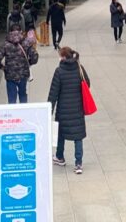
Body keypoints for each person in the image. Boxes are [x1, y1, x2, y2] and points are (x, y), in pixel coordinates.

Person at [48, 46, 89, 174]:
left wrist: (49, 109)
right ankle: (78, 163)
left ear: (64, 57)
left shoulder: (59, 71)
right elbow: (87, 84)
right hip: (77, 108)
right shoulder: (79, 68)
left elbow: (53, 92)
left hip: (63, 109)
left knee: (61, 133)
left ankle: (60, 157)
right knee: (78, 136)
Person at [0, 23, 38, 103]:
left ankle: (13, 113)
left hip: (10, 74)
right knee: (23, 94)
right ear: (21, 31)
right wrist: (29, 63)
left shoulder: (5, 45)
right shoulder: (26, 43)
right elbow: (35, 57)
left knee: (12, 98)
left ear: (10, 32)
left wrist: (1, 67)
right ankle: (23, 112)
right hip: (23, 74)